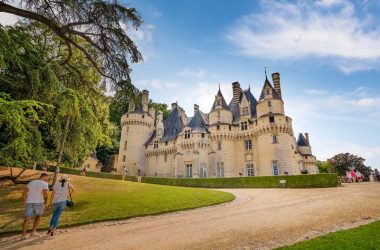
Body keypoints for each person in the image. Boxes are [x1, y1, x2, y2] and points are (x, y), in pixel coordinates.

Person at [21, 173, 49, 240]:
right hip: (39, 203)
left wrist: (23, 199)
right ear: (44, 177)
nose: (47, 180)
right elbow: (45, 194)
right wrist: (46, 202)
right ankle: (33, 232)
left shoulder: (31, 182)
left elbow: (25, 191)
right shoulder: (44, 183)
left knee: (27, 219)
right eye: (47, 178)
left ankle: (23, 236)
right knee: (38, 217)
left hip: (29, 202)